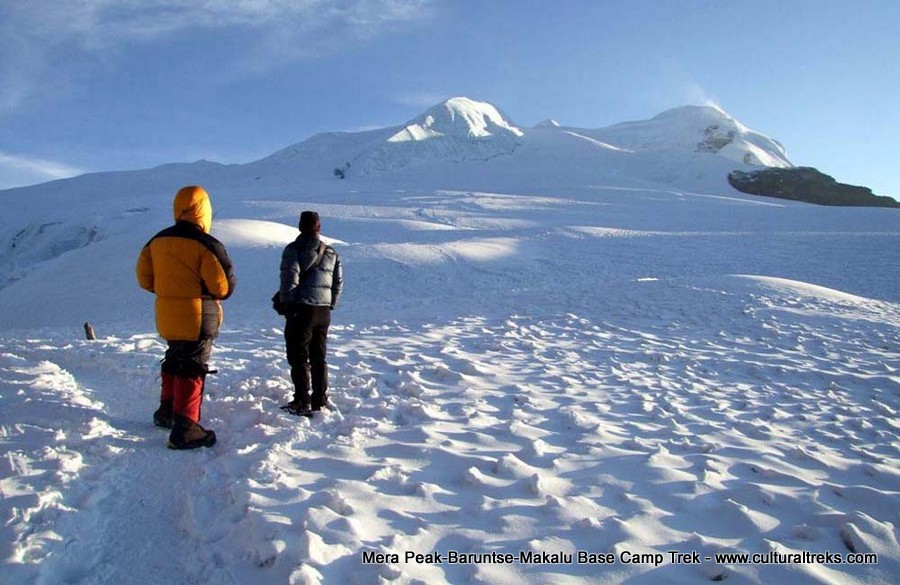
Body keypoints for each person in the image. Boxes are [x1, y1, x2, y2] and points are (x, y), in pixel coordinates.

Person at [136, 185, 236, 449]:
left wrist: (170, 291)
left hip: (167, 314)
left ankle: (167, 411)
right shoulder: (206, 244)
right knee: (193, 365)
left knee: (174, 357)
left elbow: (144, 278)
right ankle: (186, 427)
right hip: (198, 314)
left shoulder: (156, 241)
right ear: (204, 210)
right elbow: (222, 286)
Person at [279, 211, 342, 415]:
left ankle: (301, 399)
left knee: (298, 356)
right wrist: (330, 304)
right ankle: (319, 398)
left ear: (299, 226)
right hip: (323, 312)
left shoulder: (293, 250)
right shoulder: (331, 253)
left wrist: (288, 306)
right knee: (319, 355)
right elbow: (337, 283)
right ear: (319, 227)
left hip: (301, 310)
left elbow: (290, 280)